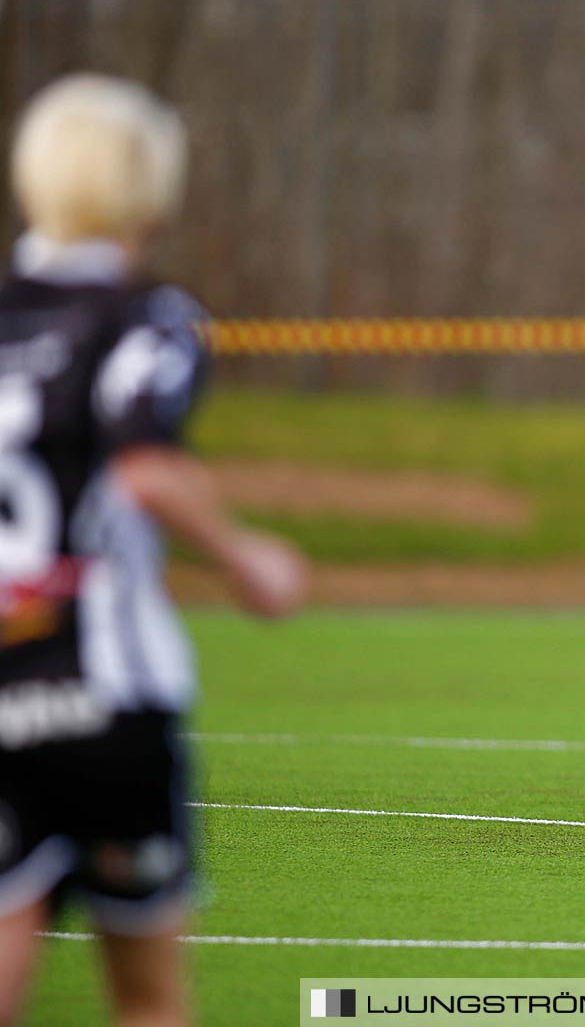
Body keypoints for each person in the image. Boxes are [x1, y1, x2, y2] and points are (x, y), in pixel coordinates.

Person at [0, 74, 308, 1027]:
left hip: (4, 692)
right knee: (146, 999)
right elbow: (143, 466)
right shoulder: (149, 315)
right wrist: (247, 558)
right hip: (110, 702)